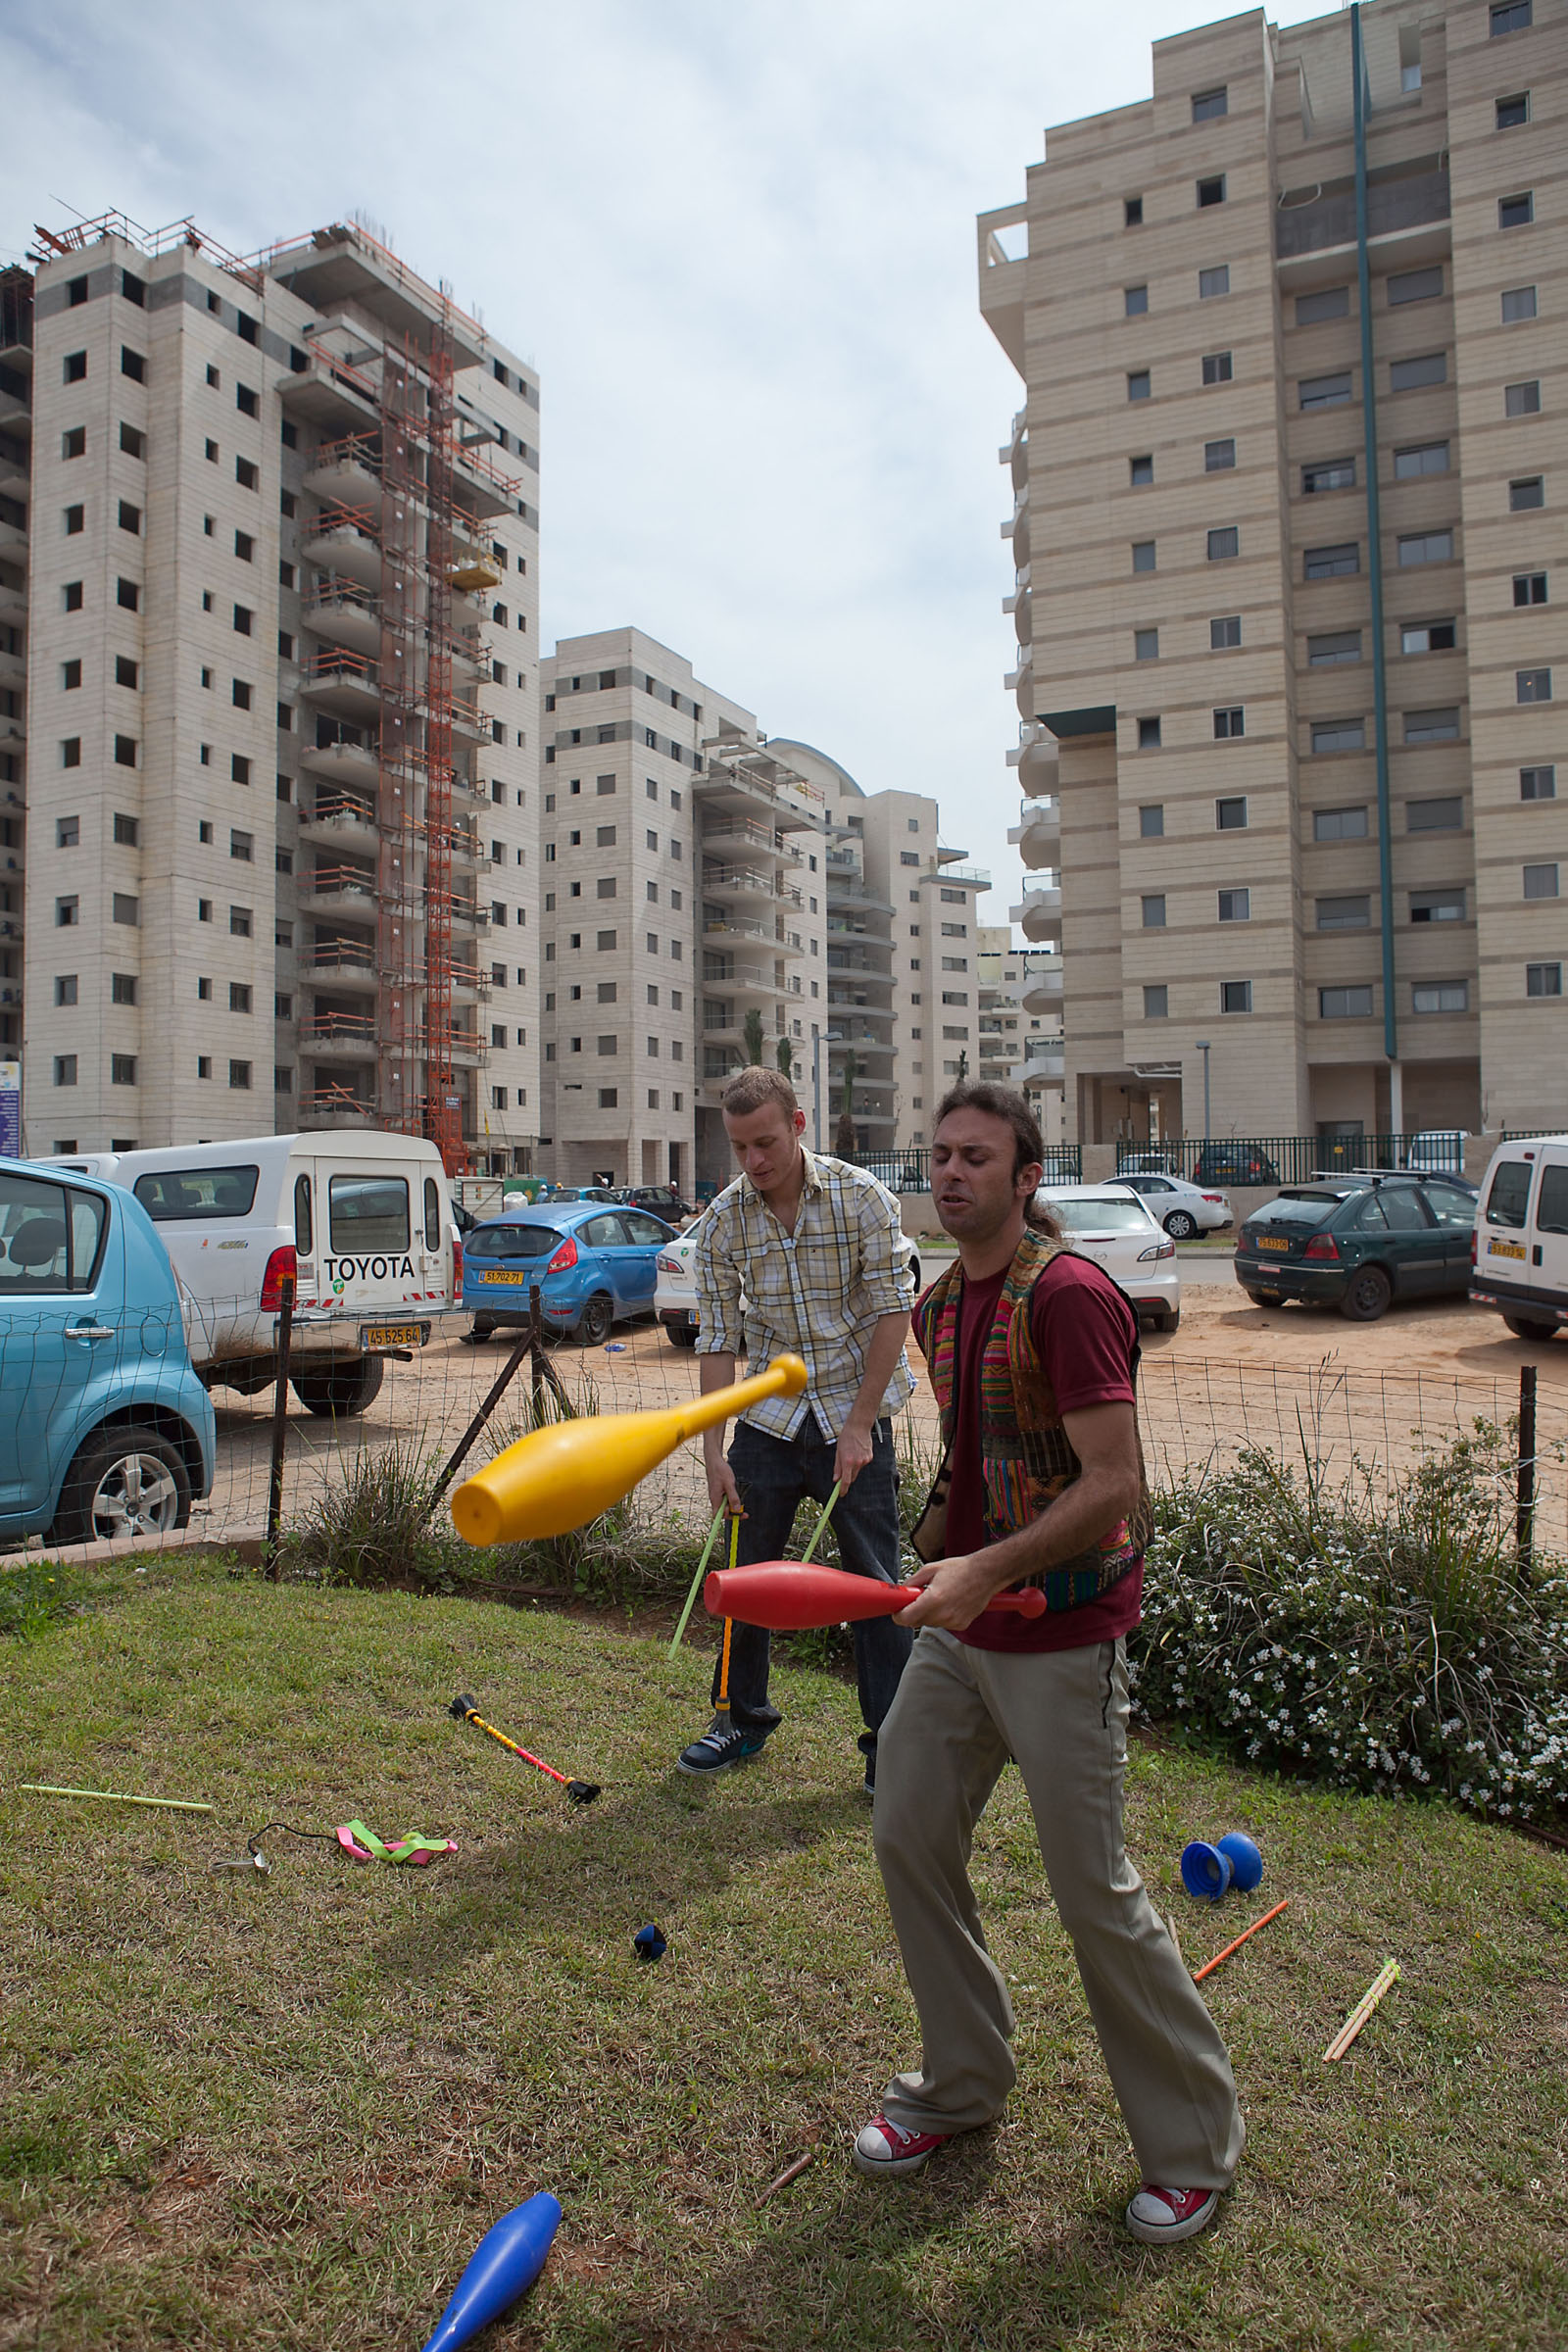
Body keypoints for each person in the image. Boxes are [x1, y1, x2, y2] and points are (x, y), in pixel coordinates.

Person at [856, 1082, 1244, 2246]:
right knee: (906, 1829)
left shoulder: (1068, 1295)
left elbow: (1114, 1485)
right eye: (940, 1156)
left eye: (977, 1157)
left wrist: (983, 1569)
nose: (951, 1173)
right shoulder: (937, 1306)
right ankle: (960, 2085)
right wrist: (937, 1551)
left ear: (1027, 1179)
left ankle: (1192, 2149)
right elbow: (976, 1456)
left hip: (1063, 1634)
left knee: (1092, 1893)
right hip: (962, 1630)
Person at [677, 1065, 916, 1789]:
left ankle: (892, 1746)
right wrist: (714, 1452)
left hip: (855, 1414)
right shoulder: (722, 1221)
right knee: (743, 1581)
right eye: (739, 1147)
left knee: (875, 1587)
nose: (753, 1161)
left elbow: (893, 1310)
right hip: (768, 1425)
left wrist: (860, 1424)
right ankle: (740, 1720)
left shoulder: (861, 1196)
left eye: (766, 1142)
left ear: (798, 1125)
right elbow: (718, 1338)